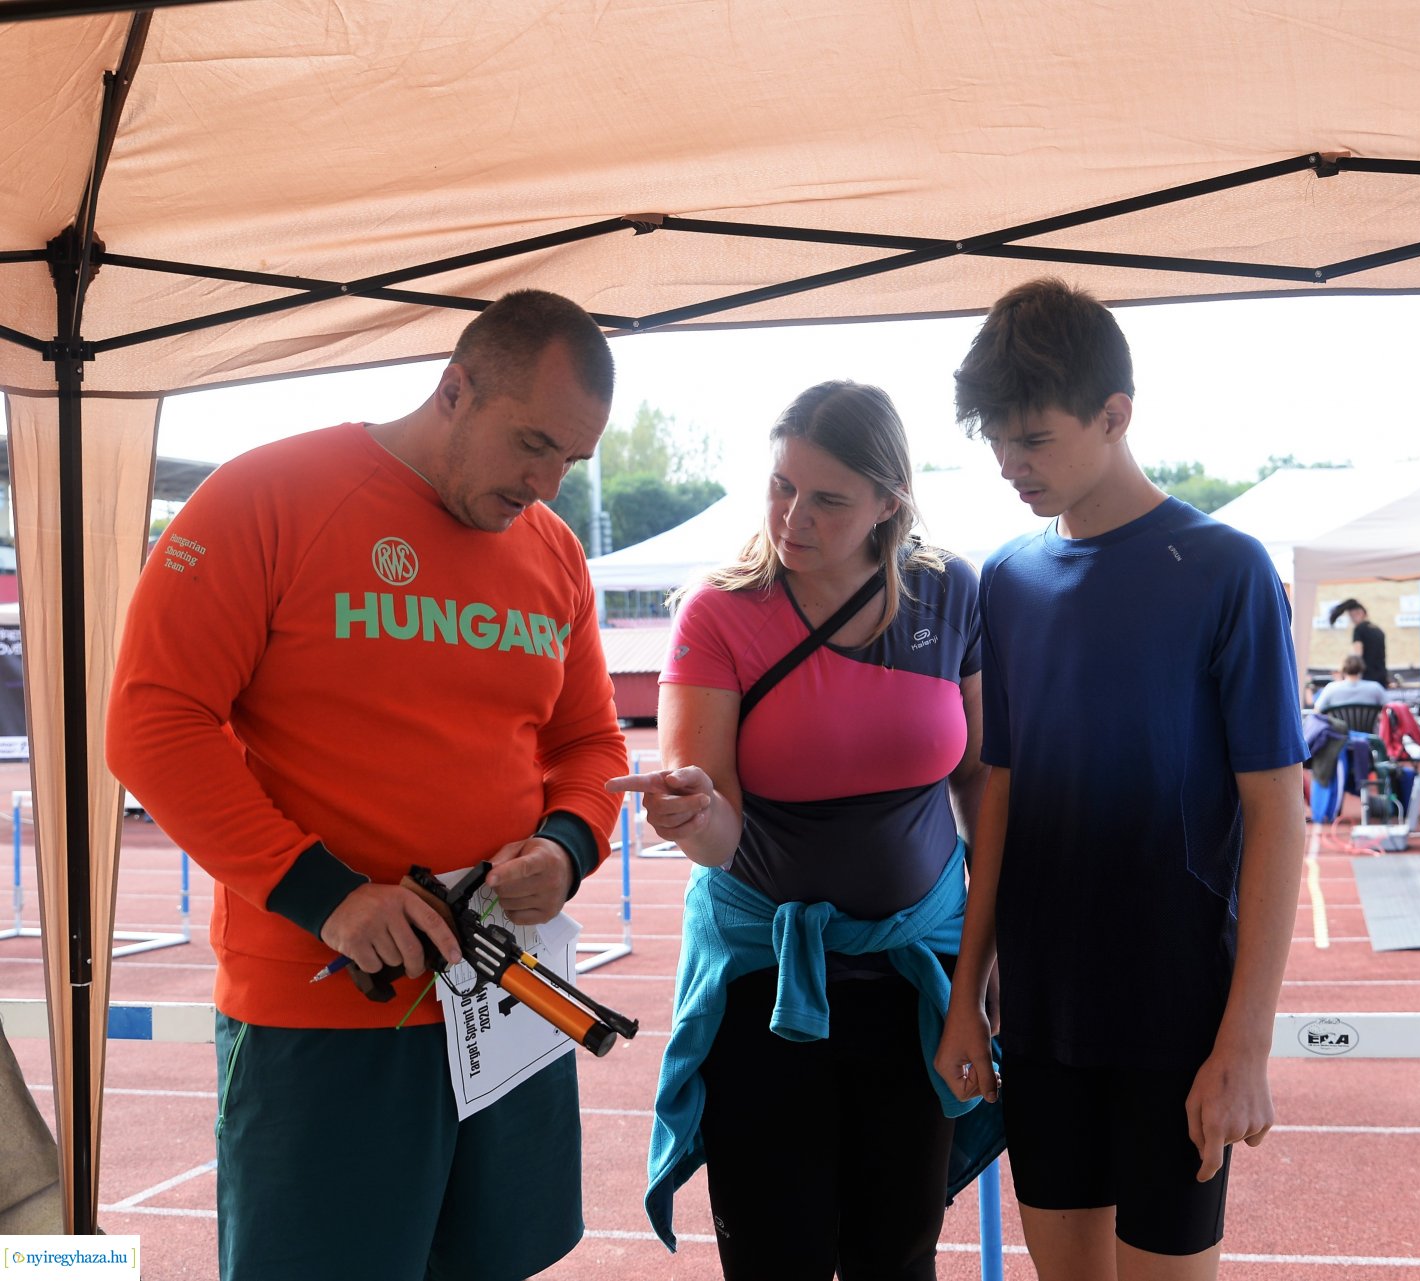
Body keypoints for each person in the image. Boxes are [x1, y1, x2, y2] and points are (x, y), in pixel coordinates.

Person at [105, 291, 629, 1281]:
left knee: (493, 1263)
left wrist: (568, 846)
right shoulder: (268, 497)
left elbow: (592, 743)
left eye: (571, 459)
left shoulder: (553, 552)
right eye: (531, 444)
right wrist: (330, 900)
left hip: (508, 999)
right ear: (455, 389)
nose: (546, 482)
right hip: (327, 1011)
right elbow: (152, 722)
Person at [935, 278, 1308, 1278]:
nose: (1013, 466)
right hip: (1045, 1015)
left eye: (1035, 441)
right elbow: (998, 794)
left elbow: (1278, 811)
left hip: (1175, 1014)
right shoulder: (1008, 578)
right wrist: (966, 990)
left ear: (1115, 416)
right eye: (998, 443)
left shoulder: (1225, 570)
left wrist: (1246, 1044)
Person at [614, 381, 990, 1279]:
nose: (794, 517)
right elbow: (716, 834)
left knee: (897, 1254)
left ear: (888, 503)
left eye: (828, 499)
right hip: (764, 991)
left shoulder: (950, 592)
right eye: (782, 486)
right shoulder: (720, 611)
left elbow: (983, 783)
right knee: (775, 1253)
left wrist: (980, 973)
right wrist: (694, 811)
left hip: (917, 983)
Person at [1332, 598, 1392, 686]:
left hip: (1367, 678)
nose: (1351, 620)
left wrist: (1344, 672)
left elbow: (1357, 656)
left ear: (1359, 613)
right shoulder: (1378, 630)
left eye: (1352, 616)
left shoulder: (1359, 629)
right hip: (1381, 677)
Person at [1314, 654, 1389, 712]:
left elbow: (1317, 711)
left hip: (1339, 732)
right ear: (1362, 668)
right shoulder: (1375, 688)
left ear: (1343, 669)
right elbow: (1389, 708)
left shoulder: (1331, 688)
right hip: (1369, 732)